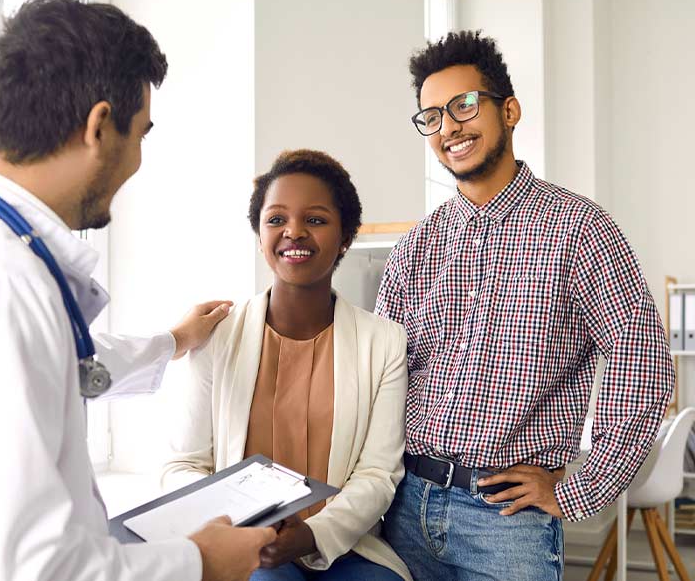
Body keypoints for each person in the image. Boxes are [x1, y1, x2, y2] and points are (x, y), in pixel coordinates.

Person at [0, 0, 274, 581]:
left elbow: (70, 363)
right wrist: (200, 562)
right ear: (99, 127)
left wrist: (174, 340)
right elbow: (29, 570)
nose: (138, 161)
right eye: (140, 135)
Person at [375, 30, 675, 580]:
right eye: (432, 117)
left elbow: (644, 362)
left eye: (464, 106)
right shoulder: (418, 244)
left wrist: (583, 488)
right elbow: (378, 377)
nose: (449, 128)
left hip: (505, 523)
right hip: (405, 508)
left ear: (509, 110)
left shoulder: (580, 228)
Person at [160, 149, 412, 581]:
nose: (293, 232)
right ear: (260, 236)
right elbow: (182, 465)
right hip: (240, 543)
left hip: (342, 546)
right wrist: (238, 525)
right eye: (276, 220)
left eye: (315, 220)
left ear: (346, 236)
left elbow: (377, 473)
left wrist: (312, 534)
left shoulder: (383, 342)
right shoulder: (216, 336)